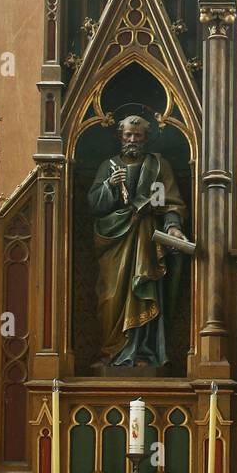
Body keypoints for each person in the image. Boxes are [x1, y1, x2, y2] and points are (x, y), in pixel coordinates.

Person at [87, 115, 186, 366]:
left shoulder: (158, 165)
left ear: (146, 138)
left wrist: (173, 227)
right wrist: (109, 186)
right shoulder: (106, 166)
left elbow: (170, 202)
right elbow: (93, 205)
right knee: (110, 297)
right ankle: (111, 352)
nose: (133, 140)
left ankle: (143, 353)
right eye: (128, 135)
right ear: (120, 136)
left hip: (145, 240)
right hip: (114, 241)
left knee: (144, 289)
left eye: (138, 135)